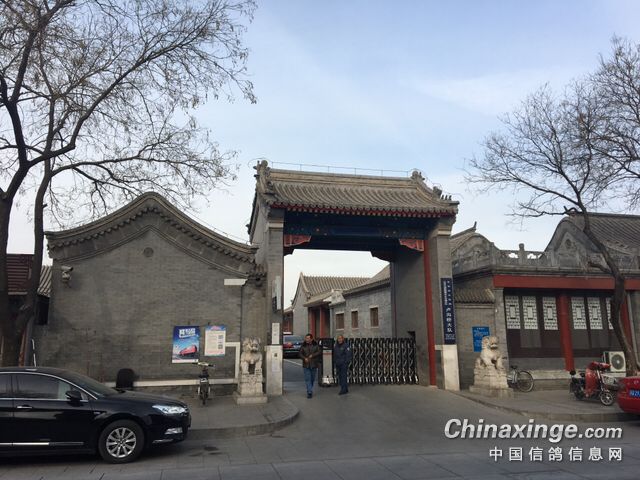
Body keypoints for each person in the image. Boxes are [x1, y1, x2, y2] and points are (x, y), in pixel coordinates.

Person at [299, 333, 322, 398]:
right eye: (306, 338)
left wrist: (313, 355)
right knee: (308, 379)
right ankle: (309, 392)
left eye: (308, 338)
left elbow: (319, 351)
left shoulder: (316, 345)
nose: (306, 339)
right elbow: (300, 354)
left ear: (311, 339)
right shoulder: (303, 345)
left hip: (314, 364)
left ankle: (309, 389)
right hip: (306, 365)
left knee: (312, 379)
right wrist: (304, 358)